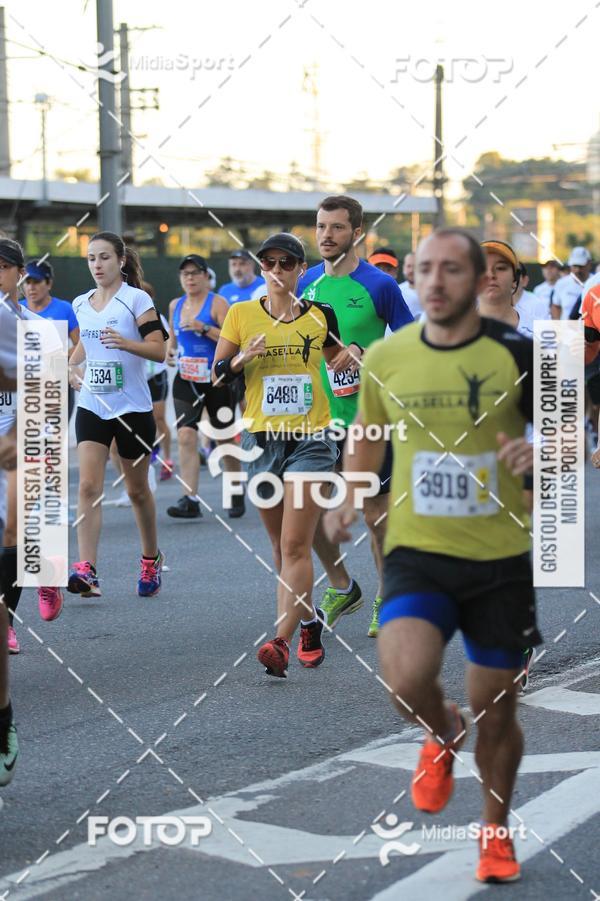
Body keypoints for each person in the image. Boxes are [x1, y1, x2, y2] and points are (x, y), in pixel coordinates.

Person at [324, 227, 541, 884]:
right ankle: (441, 728)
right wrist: (349, 493)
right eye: (425, 270)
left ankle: (495, 829)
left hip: (499, 554)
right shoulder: (389, 356)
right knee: (405, 677)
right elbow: (366, 435)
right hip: (419, 546)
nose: (436, 280)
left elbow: (565, 438)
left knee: (496, 704)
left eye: (452, 269)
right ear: (413, 281)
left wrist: (541, 457)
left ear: (478, 281)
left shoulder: (518, 352)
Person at [213, 232, 344, 678]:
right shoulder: (241, 313)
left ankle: (280, 641)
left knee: (295, 544)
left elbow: (339, 360)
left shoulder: (319, 315)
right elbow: (216, 375)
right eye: (268, 263)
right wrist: (241, 360)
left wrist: (356, 355)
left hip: (312, 438)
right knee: (278, 546)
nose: (276, 270)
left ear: (300, 271)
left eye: (286, 263)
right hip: (262, 439)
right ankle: (308, 621)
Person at [297, 195, 413, 638]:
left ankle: (387, 594)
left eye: (337, 228)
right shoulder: (305, 281)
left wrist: (367, 350)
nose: (327, 235)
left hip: (366, 420)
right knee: (304, 511)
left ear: (357, 233)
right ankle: (344, 586)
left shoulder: (379, 286)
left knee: (374, 516)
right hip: (314, 419)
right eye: (322, 226)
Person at [66, 231, 166, 599]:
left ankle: (151, 558)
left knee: (137, 491)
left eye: (104, 257)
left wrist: (127, 343)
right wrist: (71, 370)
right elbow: (82, 350)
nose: (97, 265)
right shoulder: (81, 303)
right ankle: (87, 569)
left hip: (132, 409)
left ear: (121, 261)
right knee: (88, 486)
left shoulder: (136, 299)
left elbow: (159, 350)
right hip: (93, 405)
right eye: (91, 258)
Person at [167, 254, 243, 519]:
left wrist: (203, 328)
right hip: (186, 377)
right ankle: (190, 498)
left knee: (222, 437)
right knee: (186, 435)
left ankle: (235, 487)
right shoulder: (175, 304)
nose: (190, 278)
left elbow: (231, 339)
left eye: (195, 273)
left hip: (216, 377)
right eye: (185, 274)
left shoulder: (218, 303)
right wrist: (169, 352)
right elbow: (174, 340)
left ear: (205, 276)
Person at [20, 259, 80, 420]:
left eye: (36, 281)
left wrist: (58, 357)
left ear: (49, 283)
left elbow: (81, 344)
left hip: (56, 379)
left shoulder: (64, 309)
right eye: (27, 282)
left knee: (55, 436)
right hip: (25, 380)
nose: (31, 287)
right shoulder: (15, 309)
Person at [550, 247, 592, 320]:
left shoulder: (596, 282)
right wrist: (558, 326)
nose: (578, 270)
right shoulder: (561, 283)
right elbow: (556, 306)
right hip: (566, 329)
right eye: (575, 266)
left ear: (589, 264)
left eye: (581, 266)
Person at [399, 251, 422, 320]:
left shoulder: (431, 292)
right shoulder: (397, 291)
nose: (411, 270)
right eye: (409, 266)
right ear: (403, 268)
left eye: (415, 266)